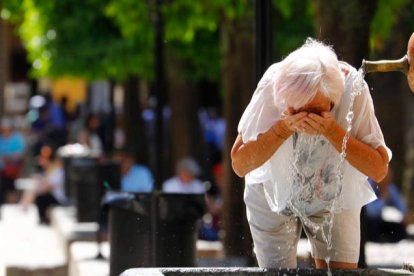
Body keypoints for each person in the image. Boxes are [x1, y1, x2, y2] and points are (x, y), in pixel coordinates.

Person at [231, 38, 391, 269]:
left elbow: (378, 169)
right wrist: (283, 128)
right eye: (296, 110)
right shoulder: (273, 85)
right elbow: (240, 163)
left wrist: (332, 131)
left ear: (333, 101)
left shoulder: (353, 90)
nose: (305, 119)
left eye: (315, 111)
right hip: (272, 192)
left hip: (334, 190)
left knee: (340, 274)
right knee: (278, 274)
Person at [365, 167, 408, 242]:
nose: (388, 182)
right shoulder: (368, 186)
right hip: (369, 223)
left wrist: (405, 215)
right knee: (372, 224)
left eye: (390, 180)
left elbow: (402, 206)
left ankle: (386, 238)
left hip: (381, 222)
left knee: (400, 229)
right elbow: (371, 212)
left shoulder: (389, 188)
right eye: (386, 180)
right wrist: (383, 199)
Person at [0, 117, 26, 204]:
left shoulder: (17, 138)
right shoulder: (1, 138)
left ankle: (11, 204)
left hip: (13, 170)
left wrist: (8, 157)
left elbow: (20, 155)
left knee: (11, 189)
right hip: (2, 170)